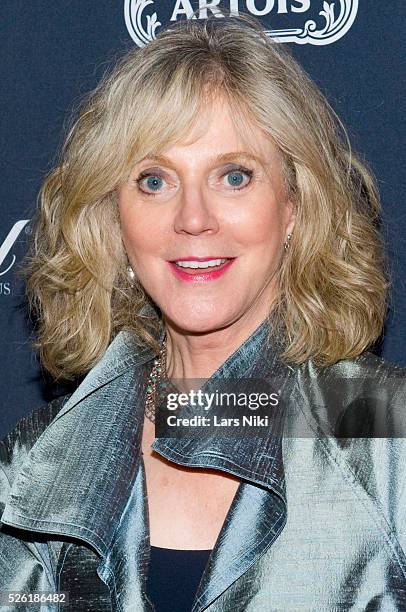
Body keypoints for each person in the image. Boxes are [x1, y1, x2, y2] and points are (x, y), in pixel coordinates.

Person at [1, 15, 405, 612]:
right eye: (155, 180)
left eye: (234, 176)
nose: (193, 217)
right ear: (115, 218)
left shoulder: (383, 430)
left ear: (293, 206)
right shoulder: (42, 457)